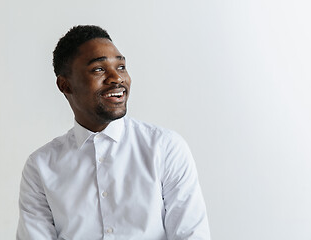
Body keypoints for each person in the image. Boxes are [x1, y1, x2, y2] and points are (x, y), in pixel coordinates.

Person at [17, 25, 211, 240]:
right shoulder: (40, 166)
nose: (116, 78)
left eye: (121, 66)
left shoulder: (165, 148)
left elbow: (191, 235)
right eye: (99, 69)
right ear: (65, 85)